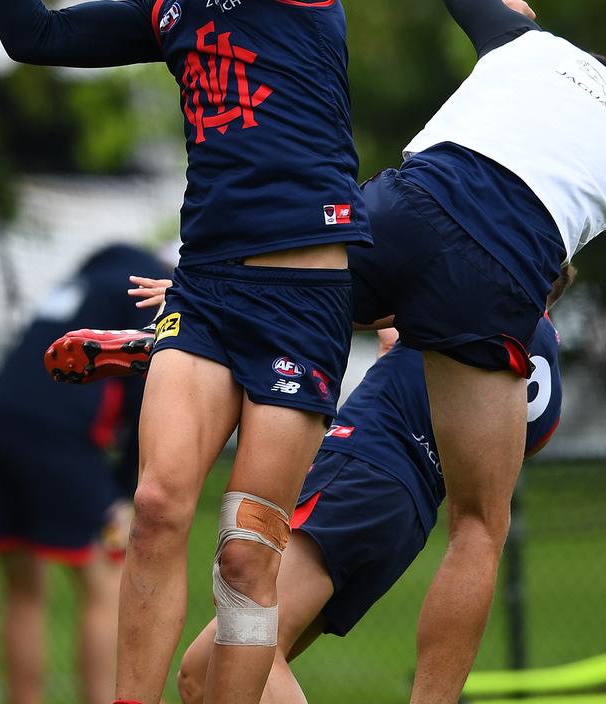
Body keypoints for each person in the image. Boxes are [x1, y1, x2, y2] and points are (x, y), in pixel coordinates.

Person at [0, 0, 372, 704]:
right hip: (208, 293)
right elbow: (35, 35)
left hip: (303, 299)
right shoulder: (176, 9)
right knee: (155, 506)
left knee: (248, 559)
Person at [341, 0, 606, 704]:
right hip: (498, 270)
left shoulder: (530, 44)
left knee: (282, 301)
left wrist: (505, 3)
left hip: (410, 204)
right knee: (481, 527)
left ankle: (195, 320)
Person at [174, 268, 571, 703]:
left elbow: (336, 300)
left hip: (362, 470)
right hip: (406, 516)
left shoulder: (473, 292)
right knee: (201, 674)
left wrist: (209, 296)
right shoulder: (540, 368)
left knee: (253, 648)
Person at [0, 243, 168, 704]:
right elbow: (149, 394)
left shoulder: (77, 287)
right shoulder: (143, 294)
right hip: (56, 438)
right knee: (105, 583)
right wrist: (125, 491)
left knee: (22, 588)